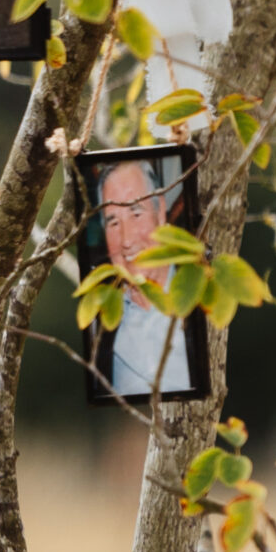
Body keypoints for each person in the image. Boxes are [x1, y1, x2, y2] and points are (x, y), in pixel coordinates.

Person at [97, 158, 194, 401]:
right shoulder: (100, 323)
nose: (126, 239)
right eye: (113, 222)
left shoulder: (199, 296)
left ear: (160, 212)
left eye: (136, 213)